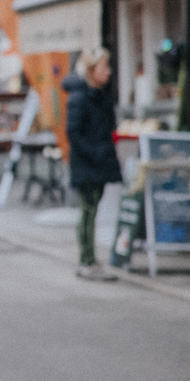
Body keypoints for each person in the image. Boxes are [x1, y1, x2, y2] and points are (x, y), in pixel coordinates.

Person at [63, 47, 122, 282]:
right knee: (88, 211)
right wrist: (96, 153)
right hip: (87, 163)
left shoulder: (99, 96)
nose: (108, 72)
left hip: (98, 160)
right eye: (103, 68)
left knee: (91, 210)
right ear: (91, 70)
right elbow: (73, 133)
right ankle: (86, 261)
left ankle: (89, 260)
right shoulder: (80, 98)